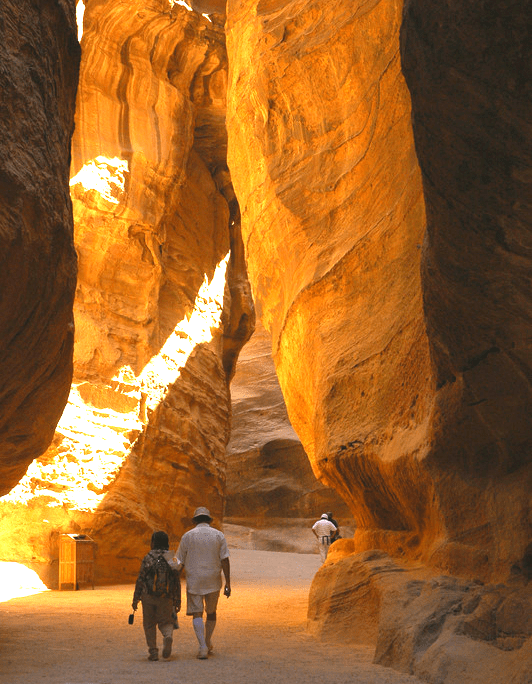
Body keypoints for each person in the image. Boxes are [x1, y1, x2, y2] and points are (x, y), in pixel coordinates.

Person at [175, 506, 231, 659]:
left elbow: (178, 561)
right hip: (213, 580)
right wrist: (228, 583)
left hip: (194, 580)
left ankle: (202, 647)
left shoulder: (187, 536)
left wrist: (173, 580)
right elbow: (225, 559)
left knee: (197, 613)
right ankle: (207, 640)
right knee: (211, 612)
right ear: (208, 520)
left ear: (195, 520)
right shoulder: (219, 535)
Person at [132, 530, 181, 661]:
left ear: (153, 542)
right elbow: (177, 580)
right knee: (166, 621)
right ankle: (167, 636)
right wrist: (177, 599)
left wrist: (136, 599)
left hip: (148, 596)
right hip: (166, 597)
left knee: (149, 624)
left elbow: (141, 578)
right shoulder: (172, 557)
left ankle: (153, 652)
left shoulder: (148, 556)